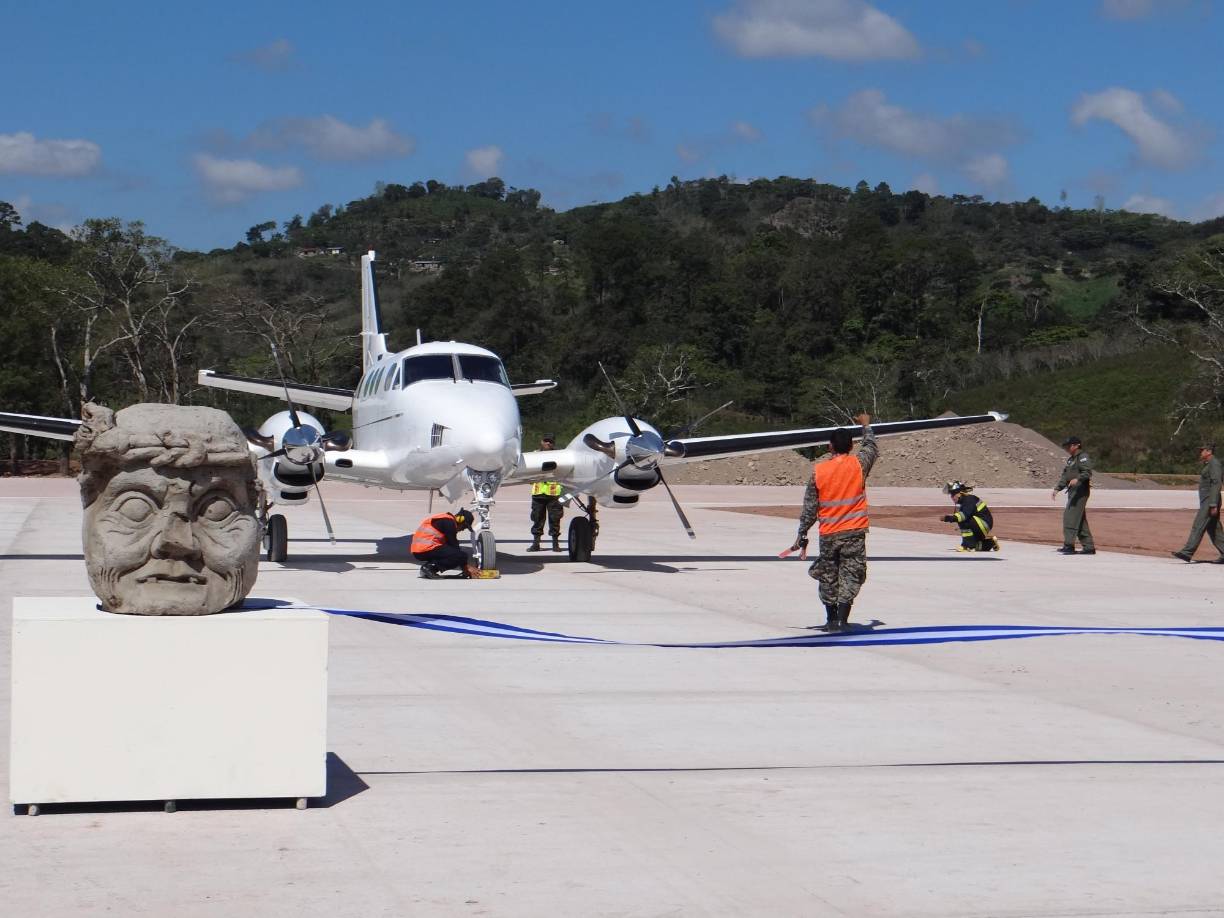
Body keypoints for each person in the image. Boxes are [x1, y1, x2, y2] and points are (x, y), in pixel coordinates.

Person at [790, 413, 878, 633]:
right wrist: (866, 425)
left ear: (830, 447)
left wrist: (801, 534)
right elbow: (871, 447)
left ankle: (831, 620)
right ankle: (842, 619)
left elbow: (810, 507)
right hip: (853, 532)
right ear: (850, 446)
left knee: (829, 576)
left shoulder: (819, 471)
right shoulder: (858, 465)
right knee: (852, 573)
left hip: (829, 534)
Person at [1172, 443, 1224, 562]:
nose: (1200, 453)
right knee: (1214, 529)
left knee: (1198, 525)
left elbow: (1216, 483)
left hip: (1210, 500)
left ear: (1209, 451)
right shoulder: (1209, 464)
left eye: (1202, 450)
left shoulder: (1214, 464)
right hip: (1208, 500)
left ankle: (1187, 552)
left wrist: (1213, 504)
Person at [1051, 435, 1095, 555]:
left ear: (1077, 445)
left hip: (1080, 491)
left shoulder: (1082, 457)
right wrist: (1057, 488)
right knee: (1079, 519)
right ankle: (1089, 546)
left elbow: (1087, 472)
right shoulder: (1071, 460)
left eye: (1069, 446)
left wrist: (1078, 479)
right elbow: (1065, 476)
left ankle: (1069, 545)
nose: (1067, 448)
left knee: (1070, 517)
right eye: (1066, 446)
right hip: (1072, 492)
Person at [412, 508, 478, 578]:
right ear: (460, 520)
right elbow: (454, 547)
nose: (463, 529)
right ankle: (429, 567)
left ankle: (428, 568)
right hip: (426, 548)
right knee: (461, 556)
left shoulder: (445, 519)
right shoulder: (449, 523)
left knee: (452, 554)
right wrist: (466, 567)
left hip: (419, 550)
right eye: (464, 526)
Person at [528, 435, 564, 552]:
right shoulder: (535, 454)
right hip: (538, 492)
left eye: (550, 442)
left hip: (554, 493)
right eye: (546, 441)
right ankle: (536, 543)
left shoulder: (559, 455)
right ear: (541, 442)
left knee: (555, 519)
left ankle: (555, 543)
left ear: (553, 444)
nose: (548, 443)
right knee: (537, 518)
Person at [941, 480, 1000, 552]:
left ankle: (966, 546)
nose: (952, 497)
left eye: (953, 494)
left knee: (963, 520)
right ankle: (991, 543)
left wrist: (949, 518)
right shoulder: (963, 501)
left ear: (959, 493)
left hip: (983, 524)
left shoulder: (969, 499)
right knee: (976, 546)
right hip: (980, 525)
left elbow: (964, 516)